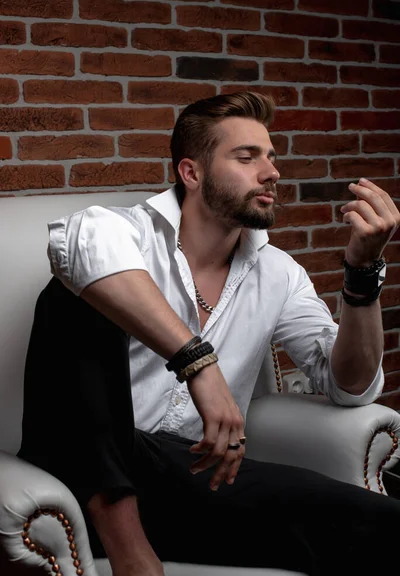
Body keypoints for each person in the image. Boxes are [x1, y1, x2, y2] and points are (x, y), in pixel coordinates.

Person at [18, 92, 400, 576]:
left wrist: (362, 274)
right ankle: (132, 554)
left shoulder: (277, 272)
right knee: (74, 293)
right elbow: (79, 245)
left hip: (186, 477)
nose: (272, 172)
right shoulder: (125, 233)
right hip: (76, 475)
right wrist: (199, 363)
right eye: (247, 157)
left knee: (379, 524)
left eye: (272, 157)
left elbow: (348, 385)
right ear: (191, 173)